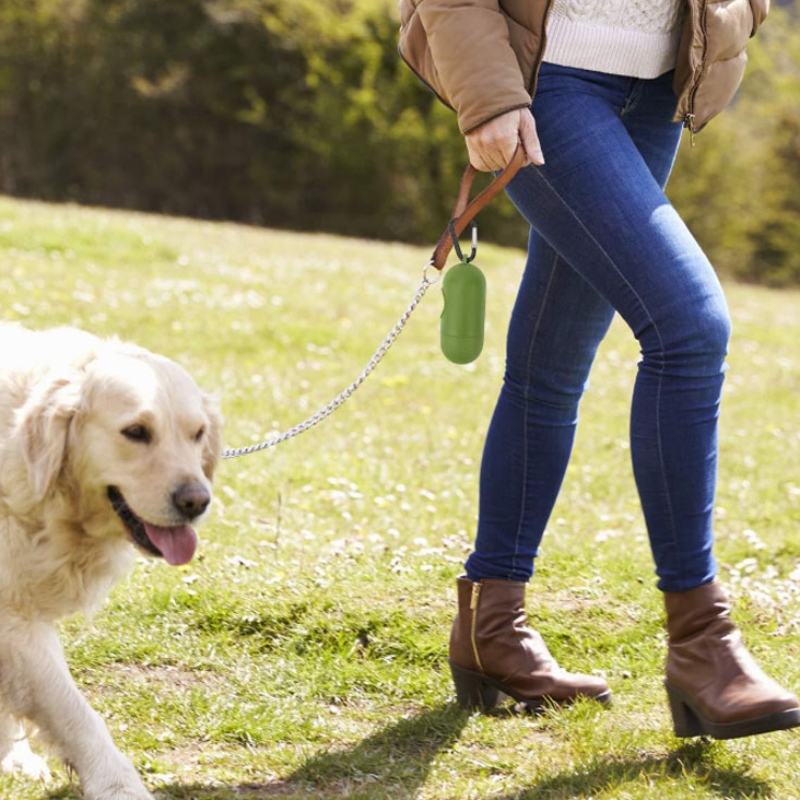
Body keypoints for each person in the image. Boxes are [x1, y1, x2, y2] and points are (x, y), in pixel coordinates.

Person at [398, 0, 800, 740]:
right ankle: (702, 644)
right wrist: (488, 95)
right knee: (688, 328)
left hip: (655, 89)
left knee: (549, 366)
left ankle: (494, 625)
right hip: (542, 82)